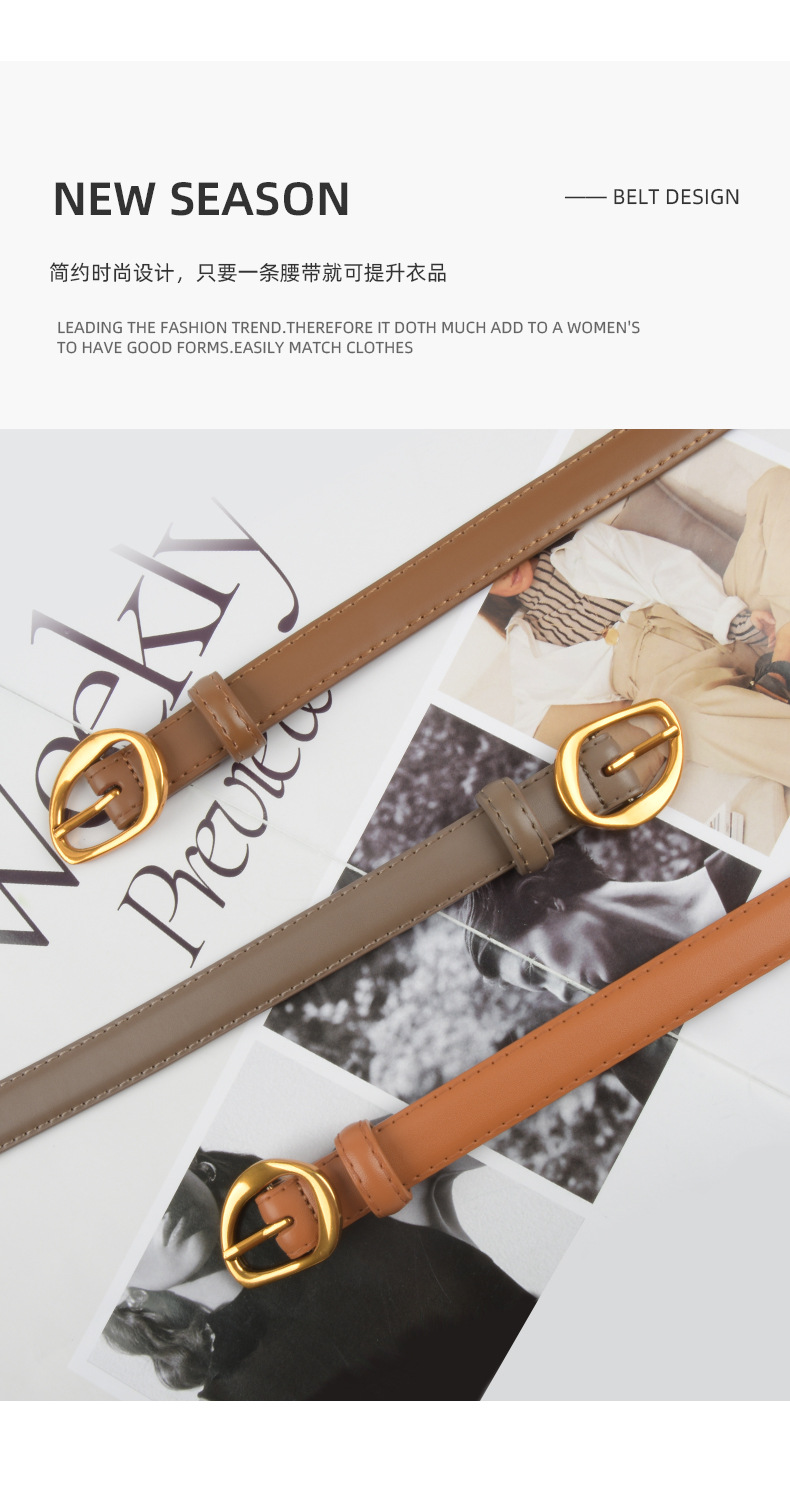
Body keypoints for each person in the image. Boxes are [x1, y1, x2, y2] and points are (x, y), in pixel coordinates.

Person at [104, 1146, 535, 1400]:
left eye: (146, 1179)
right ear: (122, 1295)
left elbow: (529, 1107)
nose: (154, 1214)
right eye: (121, 1227)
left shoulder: (346, 1191)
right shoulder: (237, 1403)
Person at [484, 465, 790, 787]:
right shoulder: (523, 641)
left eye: (499, 553)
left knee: (774, 486)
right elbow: (529, 730)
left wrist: (733, 618)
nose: (503, 570)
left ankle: (783, 653)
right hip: (676, 683)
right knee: (683, 722)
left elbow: (664, 571)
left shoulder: (587, 545)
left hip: (720, 613)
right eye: (486, 575)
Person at [463, 835, 755, 1102]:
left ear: (543, 897)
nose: (562, 994)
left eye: (535, 968)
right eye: (543, 987)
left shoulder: (757, 867)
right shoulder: (643, 1058)